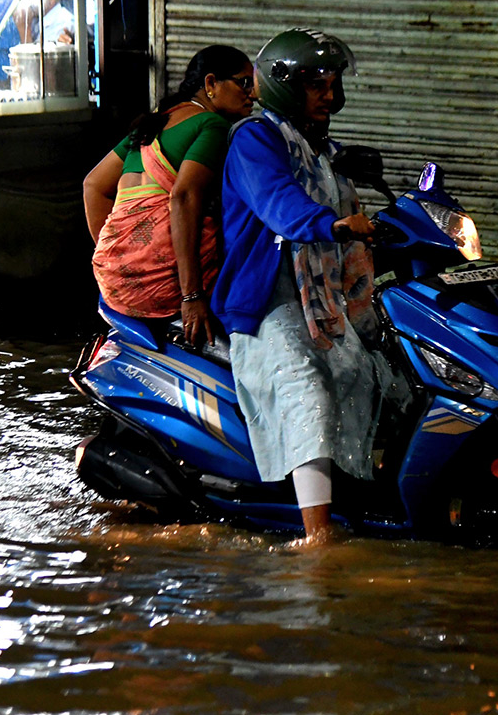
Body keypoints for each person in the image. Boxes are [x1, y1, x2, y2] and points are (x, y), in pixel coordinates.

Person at [211, 29, 379, 544]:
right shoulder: (254, 140)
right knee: (311, 396)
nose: (329, 93)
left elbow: (352, 198)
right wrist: (328, 224)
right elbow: (278, 202)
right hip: (268, 302)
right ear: (286, 87)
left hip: (322, 297)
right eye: (316, 84)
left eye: (332, 82)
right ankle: (318, 538)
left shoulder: (323, 147)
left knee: (371, 374)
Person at [90, 45, 255, 345]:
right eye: (244, 82)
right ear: (210, 84)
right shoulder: (213, 125)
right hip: (164, 287)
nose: (253, 94)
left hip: (111, 280)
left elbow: (93, 186)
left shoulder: (151, 123)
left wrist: (123, 255)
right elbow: (183, 197)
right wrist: (191, 296)